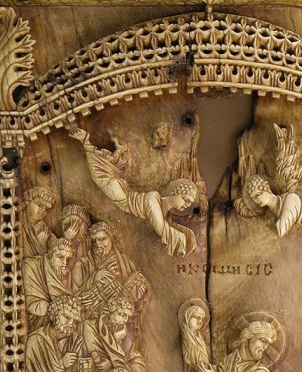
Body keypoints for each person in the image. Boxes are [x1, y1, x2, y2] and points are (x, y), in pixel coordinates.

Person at [69, 125, 199, 257]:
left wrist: (187, 236)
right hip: (122, 196)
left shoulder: (163, 209)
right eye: (185, 199)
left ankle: (92, 146)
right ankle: (86, 143)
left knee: (103, 174)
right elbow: (161, 228)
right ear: (174, 193)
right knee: (100, 175)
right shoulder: (153, 199)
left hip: (122, 191)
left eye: (189, 202)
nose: (188, 204)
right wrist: (181, 238)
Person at [73, 221, 149, 317]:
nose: (98, 244)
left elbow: (137, 304)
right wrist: (93, 278)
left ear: (111, 239)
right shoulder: (82, 265)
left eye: (102, 239)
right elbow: (74, 300)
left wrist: (137, 294)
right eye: (95, 240)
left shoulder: (126, 263)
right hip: (92, 318)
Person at [25, 295, 84, 372]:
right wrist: (61, 364)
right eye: (66, 317)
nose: (71, 323)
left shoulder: (75, 341)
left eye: (75, 321)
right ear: (54, 315)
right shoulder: (36, 339)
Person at [82, 294, 145, 372]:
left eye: (127, 317)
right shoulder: (90, 327)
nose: (125, 320)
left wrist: (112, 364)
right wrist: (114, 341)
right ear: (109, 313)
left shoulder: (122, 332)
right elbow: (92, 357)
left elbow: (135, 359)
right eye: (121, 314)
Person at [23, 238, 75, 329]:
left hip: (63, 324)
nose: (64, 263)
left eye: (67, 259)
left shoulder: (66, 273)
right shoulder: (31, 266)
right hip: (38, 325)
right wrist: (59, 307)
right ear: (50, 254)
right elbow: (32, 304)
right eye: (60, 257)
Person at [23, 186, 55, 257]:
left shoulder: (43, 226)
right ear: (27, 202)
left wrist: (42, 244)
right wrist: (41, 244)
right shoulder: (19, 224)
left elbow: (55, 249)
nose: (43, 210)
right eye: (39, 205)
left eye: (46, 209)